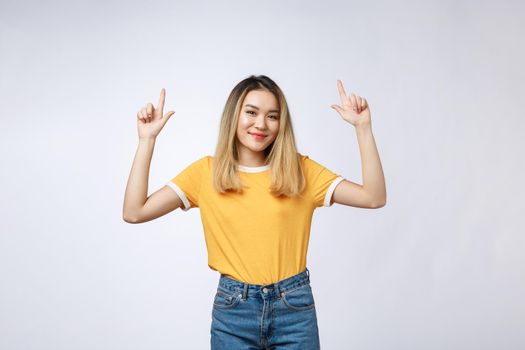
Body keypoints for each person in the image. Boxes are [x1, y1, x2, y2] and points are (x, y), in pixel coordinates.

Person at [122, 75, 386, 349]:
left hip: (294, 308)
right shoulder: (205, 173)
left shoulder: (300, 171)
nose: (261, 124)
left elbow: (373, 197)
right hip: (234, 310)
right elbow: (134, 212)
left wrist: (363, 128)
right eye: (251, 112)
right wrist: (146, 141)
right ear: (234, 115)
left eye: (272, 116)